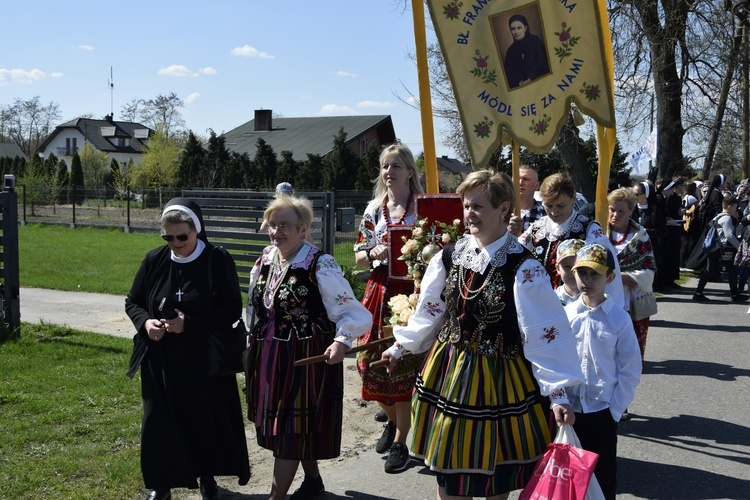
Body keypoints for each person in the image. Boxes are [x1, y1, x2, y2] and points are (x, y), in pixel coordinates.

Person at [381, 169, 583, 499]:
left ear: (504, 209)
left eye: (478, 206)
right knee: (447, 472)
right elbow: (431, 310)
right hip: (448, 370)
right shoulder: (451, 255)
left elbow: (544, 331)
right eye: (466, 205)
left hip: (499, 377)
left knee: (494, 476)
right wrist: (401, 345)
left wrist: (558, 392)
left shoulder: (524, 267)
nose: (469, 214)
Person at [245, 195, 372, 499]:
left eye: (285, 226)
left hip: (304, 357)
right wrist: (250, 344)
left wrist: (342, 340)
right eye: (272, 225)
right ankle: (313, 481)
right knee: (291, 425)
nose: (277, 232)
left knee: (290, 428)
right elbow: (254, 308)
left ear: (303, 229)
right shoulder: (265, 259)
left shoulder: (319, 263)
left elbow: (355, 314)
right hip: (268, 356)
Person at [125, 198, 251, 500]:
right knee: (158, 419)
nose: (175, 243)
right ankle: (161, 484)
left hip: (203, 357)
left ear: (197, 230)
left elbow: (232, 308)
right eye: (168, 237)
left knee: (202, 418)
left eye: (182, 236)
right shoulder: (154, 260)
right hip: (160, 357)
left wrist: (189, 324)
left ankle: (207, 479)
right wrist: (146, 324)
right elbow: (133, 301)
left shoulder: (217, 260)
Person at [352, 142, 425, 473]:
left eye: (395, 166)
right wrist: (375, 253)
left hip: (411, 291)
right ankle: (393, 420)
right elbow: (357, 255)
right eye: (384, 166)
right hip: (380, 288)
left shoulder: (421, 208)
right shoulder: (373, 209)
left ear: (409, 171)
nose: (388, 172)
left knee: (404, 367)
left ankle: (401, 442)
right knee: (368, 361)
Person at [565, 244, 642, 500]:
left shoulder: (619, 319)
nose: (586, 280)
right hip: (568, 411)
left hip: (601, 411)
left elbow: (630, 368)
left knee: (603, 478)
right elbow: (555, 360)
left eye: (594, 274)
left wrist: (614, 411)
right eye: (582, 273)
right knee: (566, 477)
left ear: (609, 277)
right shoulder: (566, 315)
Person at [519, 172, 625, 307]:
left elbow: (608, 274)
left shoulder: (590, 231)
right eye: (549, 206)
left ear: (573, 198)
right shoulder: (537, 229)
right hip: (542, 307)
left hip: (580, 308)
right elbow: (516, 253)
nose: (554, 212)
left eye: (560, 206)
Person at [607, 188, 657, 364]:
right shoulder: (597, 234)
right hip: (605, 295)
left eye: (621, 211)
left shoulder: (640, 237)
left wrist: (618, 277)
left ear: (630, 211)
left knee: (630, 338)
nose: (615, 215)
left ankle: (630, 364)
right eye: (612, 210)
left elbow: (649, 269)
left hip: (632, 297)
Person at [692, 196, 750, 303]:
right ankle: (735, 294)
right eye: (735, 207)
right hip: (723, 248)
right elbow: (729, 236)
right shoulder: (727, 218)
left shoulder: (717, 217)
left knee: (709, 270)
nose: (736, 210)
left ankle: (698, 293)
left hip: (714, 248)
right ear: (729, 206)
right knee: (733, 270)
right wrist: (740, 248)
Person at [504, 14, 550, 89]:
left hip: (542, 83)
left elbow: (542, 63)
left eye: (519, 28)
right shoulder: (510, 51)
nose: (516, 32)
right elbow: (510, 74)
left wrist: (530, 78)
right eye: (513, 29)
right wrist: (520, 82)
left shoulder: (535, 41)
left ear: (525, 28)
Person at [508, 164, 545, 233]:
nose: (520, 183)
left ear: (536, 186)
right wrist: (505, 232)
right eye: (517, 178)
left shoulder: (546, 214)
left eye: (526, 179)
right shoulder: (500, 212)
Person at [555, 238, 585, 305]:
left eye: (578, 267)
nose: (573, 271)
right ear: (558, 269)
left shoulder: (595, 300)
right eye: (567, 266)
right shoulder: (551, 299)